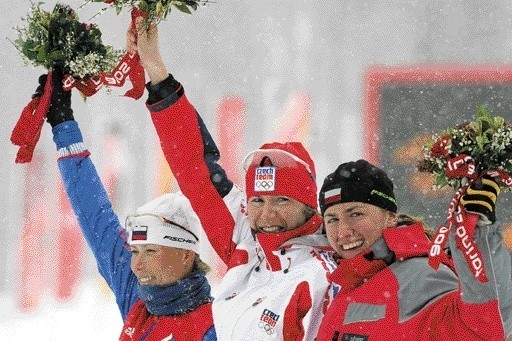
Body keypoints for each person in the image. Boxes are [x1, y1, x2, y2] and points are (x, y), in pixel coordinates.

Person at [128, 18, 338, 340]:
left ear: (309, 204)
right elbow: (194, 168)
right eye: (257, 201)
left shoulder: (321, 275)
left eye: (282, 200)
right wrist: (157, 72)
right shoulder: (246, 237)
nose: (267, 215)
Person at [35, 70, 217, 340]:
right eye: (135, 251)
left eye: (151, 251)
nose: (137, 265)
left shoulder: (217, 324)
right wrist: (63, 123)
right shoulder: (139, 296)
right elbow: (95, 214)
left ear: (186, 255)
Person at [315, 159, 512, 340]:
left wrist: (477, 236)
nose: (343, 231)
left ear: (391, 216)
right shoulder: (349, 282)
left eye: (356, 214)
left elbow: (485, 327)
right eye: (332, 219)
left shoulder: (421, 274)